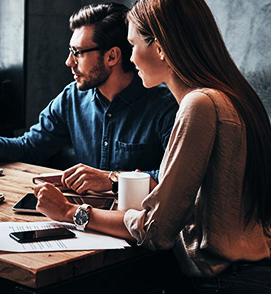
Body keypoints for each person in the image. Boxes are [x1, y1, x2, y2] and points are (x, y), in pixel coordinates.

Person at [34, 0, 271, 292]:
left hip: (222, 283)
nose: (130, 58)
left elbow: (157, 230)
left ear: (159, 47)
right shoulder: (232, 96)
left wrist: (71, 212)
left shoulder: (199, 105)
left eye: (132, 45)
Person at [0, 2, 178, 194]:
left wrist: (111, 179)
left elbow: (174, 181)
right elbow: (30, 148)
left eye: (78, 53)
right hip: (84, 222)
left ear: (112, 57)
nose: (69, 62)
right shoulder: (72, 98)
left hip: (139, 233)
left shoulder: (165, 106)